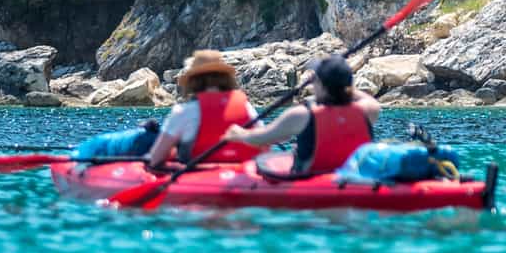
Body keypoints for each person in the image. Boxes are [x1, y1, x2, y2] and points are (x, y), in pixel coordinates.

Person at [223, 53, 379, 178]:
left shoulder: (301, 115)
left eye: (315, 80)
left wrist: (240, 134)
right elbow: (361, 96)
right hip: (356, 178)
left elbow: (263, 138)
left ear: (321, 85)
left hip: (311, 179)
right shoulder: (368, 110)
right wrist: (341, 83)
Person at [144, 50, 261, 169]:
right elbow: (264, 148)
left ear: (192, 81)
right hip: (245, 177)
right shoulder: (246, 106)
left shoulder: (183, 112)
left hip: (196, 178)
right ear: (227, 79)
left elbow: (155, 160)